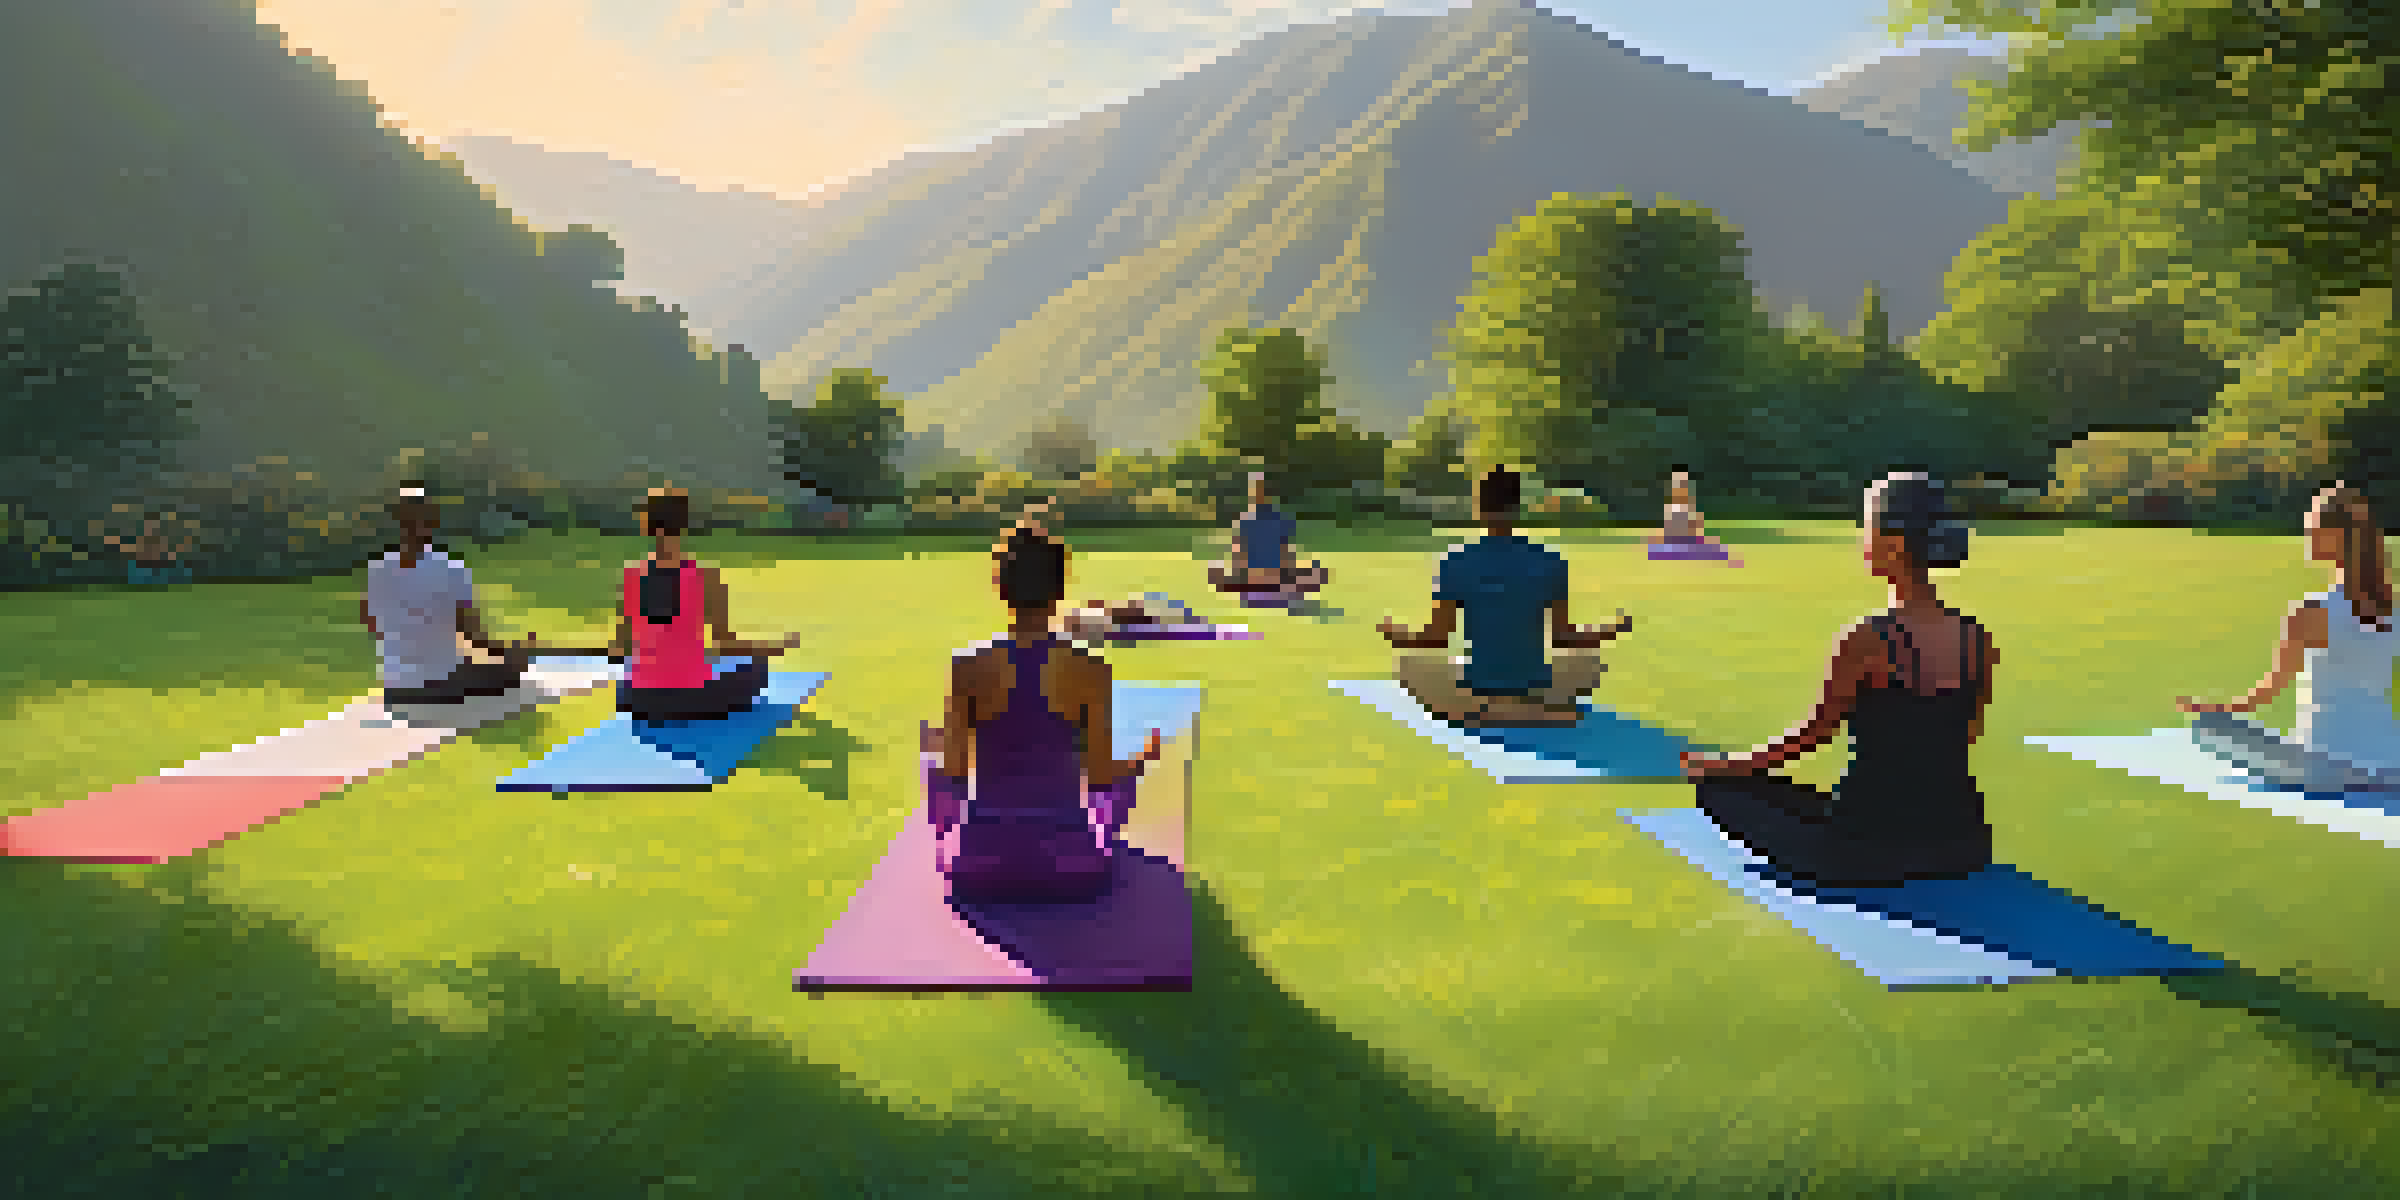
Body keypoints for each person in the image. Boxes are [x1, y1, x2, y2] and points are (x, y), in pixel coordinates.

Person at [1682, 472, 1996, 887]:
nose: (1861, 540)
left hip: (1868, 847)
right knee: (1804, 800)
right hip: (1963, 841)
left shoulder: (1867, 638)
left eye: (1866, 528)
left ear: (1894, 544)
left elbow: (1811, 736)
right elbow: (1966, 735)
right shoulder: (1976, 635)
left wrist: (1724, 766)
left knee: (1720, 792)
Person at [925, 517, 1165, 901]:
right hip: (1071, 866)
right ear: (1060, 589)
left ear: (1000, 587)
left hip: (978, 865)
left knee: (930, 747)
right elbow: (1102, 778)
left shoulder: (965, 665)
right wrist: (1142, 759)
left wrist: (935, 748)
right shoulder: (1090, 666)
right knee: (1117, 788)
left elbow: (952, 775)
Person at [2177, 482, 2400, 791]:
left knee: (2208, 728)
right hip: (2390, 761)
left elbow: (2267, 693)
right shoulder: (2394, 610)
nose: (2306, 533)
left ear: (2334, 537)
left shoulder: (2309, 611)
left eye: (2311, 525)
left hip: (2325, 762)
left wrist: (2215, 709)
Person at [1378, 466, 1632, 727]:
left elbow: (1437, 638)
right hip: (1535, 687)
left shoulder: (1453, 561)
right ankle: (1530, 711)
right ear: (1516, 507)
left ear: (1478, 508)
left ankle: (1484, 713)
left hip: (1478, 687)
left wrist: (1398, 634)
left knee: (1410, 664)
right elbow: (1563, 637)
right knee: (1590, 663)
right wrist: (1608, 630)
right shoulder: (1551, 560)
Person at [540, 486, 804, 723]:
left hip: (635, 699)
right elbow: (726, 644)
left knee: (715, 664)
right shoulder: (706, 576)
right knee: (757, 669)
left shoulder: (631, 575)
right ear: (684, 525)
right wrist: (773, 647)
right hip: (688, 698)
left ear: (648, 527)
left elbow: (620, 648)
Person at [361, 484, 540, 705]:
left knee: (471, 663)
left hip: (395, 686)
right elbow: (475, 636)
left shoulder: (377, 569)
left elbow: (371, 623)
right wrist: (510, 653)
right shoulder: (451, 568)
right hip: (440, 685)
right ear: (432, 522)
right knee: (510, 669)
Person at [1209, 474, 1329, 596]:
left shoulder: (1245, 520)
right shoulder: (1280, 519)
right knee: (1312, 572)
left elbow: (1239, 557)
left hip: (1254, 578)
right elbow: (1286, 555)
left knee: (1217, 570)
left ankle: (1258, 583)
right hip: (1275, 577)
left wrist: (1237, 576)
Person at [1644, 470, 1742, 565]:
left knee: (1715, 545)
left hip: (1690, 543)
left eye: (1684, 483)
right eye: (1678, 484)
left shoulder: (1690, 507)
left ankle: (1727, 559)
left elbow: (1697, 532)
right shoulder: (1670, 508)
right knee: (1657, 548)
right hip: (1676, 544)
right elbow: (1669, 533)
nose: (1681, 487)